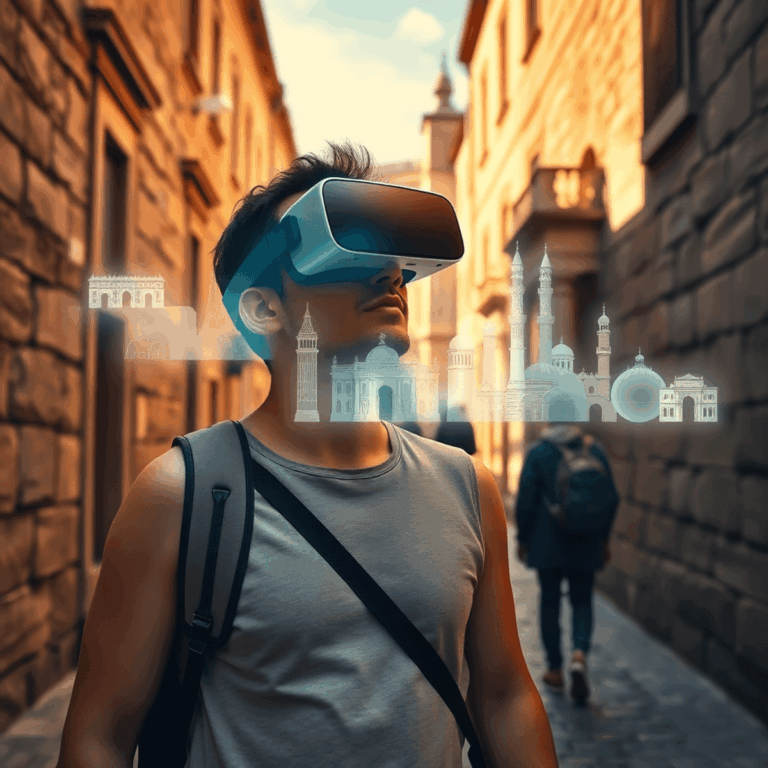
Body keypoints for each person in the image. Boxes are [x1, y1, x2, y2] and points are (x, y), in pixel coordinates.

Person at [58, 143, 559, 768]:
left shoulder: (467, 487)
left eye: (389, 253)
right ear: (265, 306)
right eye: (345, 247)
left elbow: (506, 697)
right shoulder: (177, 496)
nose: (391, 273)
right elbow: (98, 737)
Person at [514, 423, 618, 704]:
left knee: (550, 601)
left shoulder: (539, 452)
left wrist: (523, 538)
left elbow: (525, 500)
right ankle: (579, 654)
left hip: (547, 544)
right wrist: (604, 539)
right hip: (587, 542)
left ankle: (555, 669)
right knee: (582, 600)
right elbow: (612, 498)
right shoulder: (592, 449)